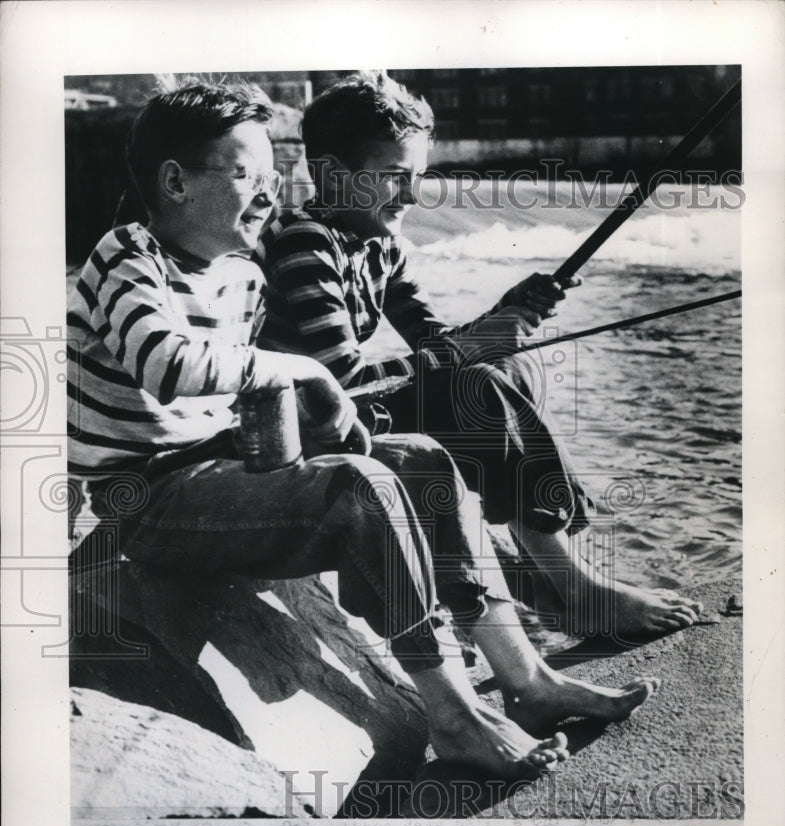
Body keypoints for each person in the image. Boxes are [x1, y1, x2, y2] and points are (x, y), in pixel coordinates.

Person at [67, 80, 661, 783]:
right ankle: (454, 716)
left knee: (423, 460)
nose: (267, 194)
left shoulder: (242, 276)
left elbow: (252, 396)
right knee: (359, 484)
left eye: (270, 176)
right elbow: (166, 366)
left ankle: (525, 677)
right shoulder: (126, 255)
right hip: (148, 499)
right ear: (174, 181)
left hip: (219, 469)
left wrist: (312, 431)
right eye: (246, 175)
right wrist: (311, 380)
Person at [256, 71, 702, 640]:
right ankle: (575, 588)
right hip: (310, 424)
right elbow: (341, 379)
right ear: (330, 175)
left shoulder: (379, 244)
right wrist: (472, 346)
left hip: (352, 410)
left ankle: (544, 565)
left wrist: (503, 315)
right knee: (478, 384)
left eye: (416, 177)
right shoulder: (306, 243)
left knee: (507, 367)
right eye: (394, 178)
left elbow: (436, 343)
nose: (412, 196)